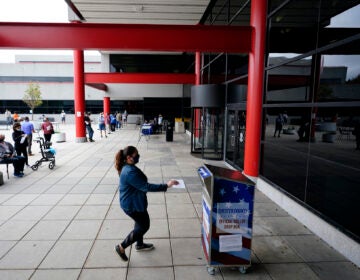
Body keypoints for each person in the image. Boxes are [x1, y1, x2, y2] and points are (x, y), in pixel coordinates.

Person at [113, 146, 179, 262]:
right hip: (132, 205)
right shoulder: (129, 172)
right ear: (129, 157)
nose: (138, 157)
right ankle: (121, 247)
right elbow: (146, 186)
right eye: (136, 155)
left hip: (133, 202)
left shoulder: (128, 167)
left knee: (139, 223)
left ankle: (139, 244)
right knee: (144, 226)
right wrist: (166, 185)